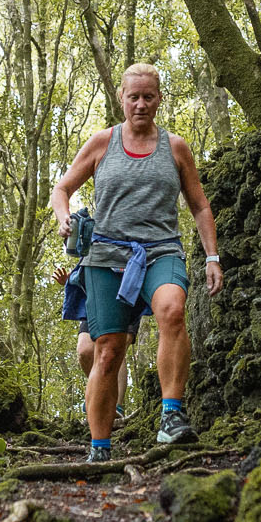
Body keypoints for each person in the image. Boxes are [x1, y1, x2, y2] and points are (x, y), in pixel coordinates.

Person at [51, 62, 223, 463]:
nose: (141, 104)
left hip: (160, 250)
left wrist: (211, 257)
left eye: (149, 96)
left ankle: (171, 416)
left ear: (159, 98)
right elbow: (62, 188)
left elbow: (199, 206)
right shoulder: (101, 143)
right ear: (122, 99)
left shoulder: (175, 148)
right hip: (106, 257)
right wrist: (64, 216)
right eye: (134, 97)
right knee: (107, 351)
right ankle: (100, 449)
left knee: (172, 310)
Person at [53, 263, 136, 420]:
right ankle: (100, 393)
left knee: (115, 348)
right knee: (85, 350)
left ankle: (114, 407)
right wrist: (71, 281)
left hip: (127, 287)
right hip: (96, 293)